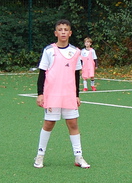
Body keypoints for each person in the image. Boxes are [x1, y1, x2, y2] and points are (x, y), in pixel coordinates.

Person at [33, 19, 90, 169]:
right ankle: (40, 155)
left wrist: (76, 95)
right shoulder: (49, 51)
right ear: (56, 33)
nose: (63, 32)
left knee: (73, 123)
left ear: (70, 33)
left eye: (66, 30)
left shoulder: (76, 52)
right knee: (49, 123)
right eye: (60, 29)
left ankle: (78, 156)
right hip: (52, 94)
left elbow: (76, 75)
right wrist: (40, 94)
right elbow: (42, 73)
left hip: (68, 95)